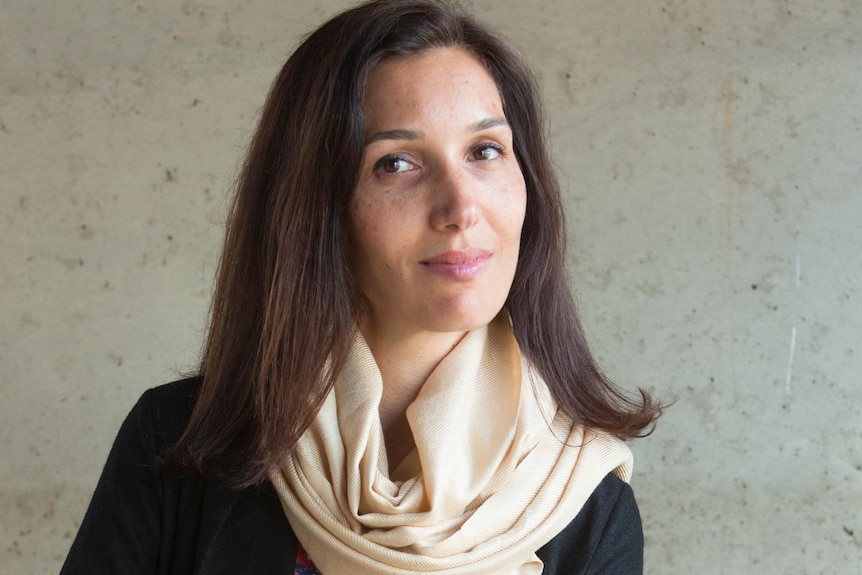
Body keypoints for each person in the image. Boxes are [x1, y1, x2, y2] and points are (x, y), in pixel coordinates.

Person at [60, 0, 664, 573]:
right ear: (316, 205)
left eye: (485, 151)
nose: (461, 207)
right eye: (396, 163)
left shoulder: (580, 500)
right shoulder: (179, 443)